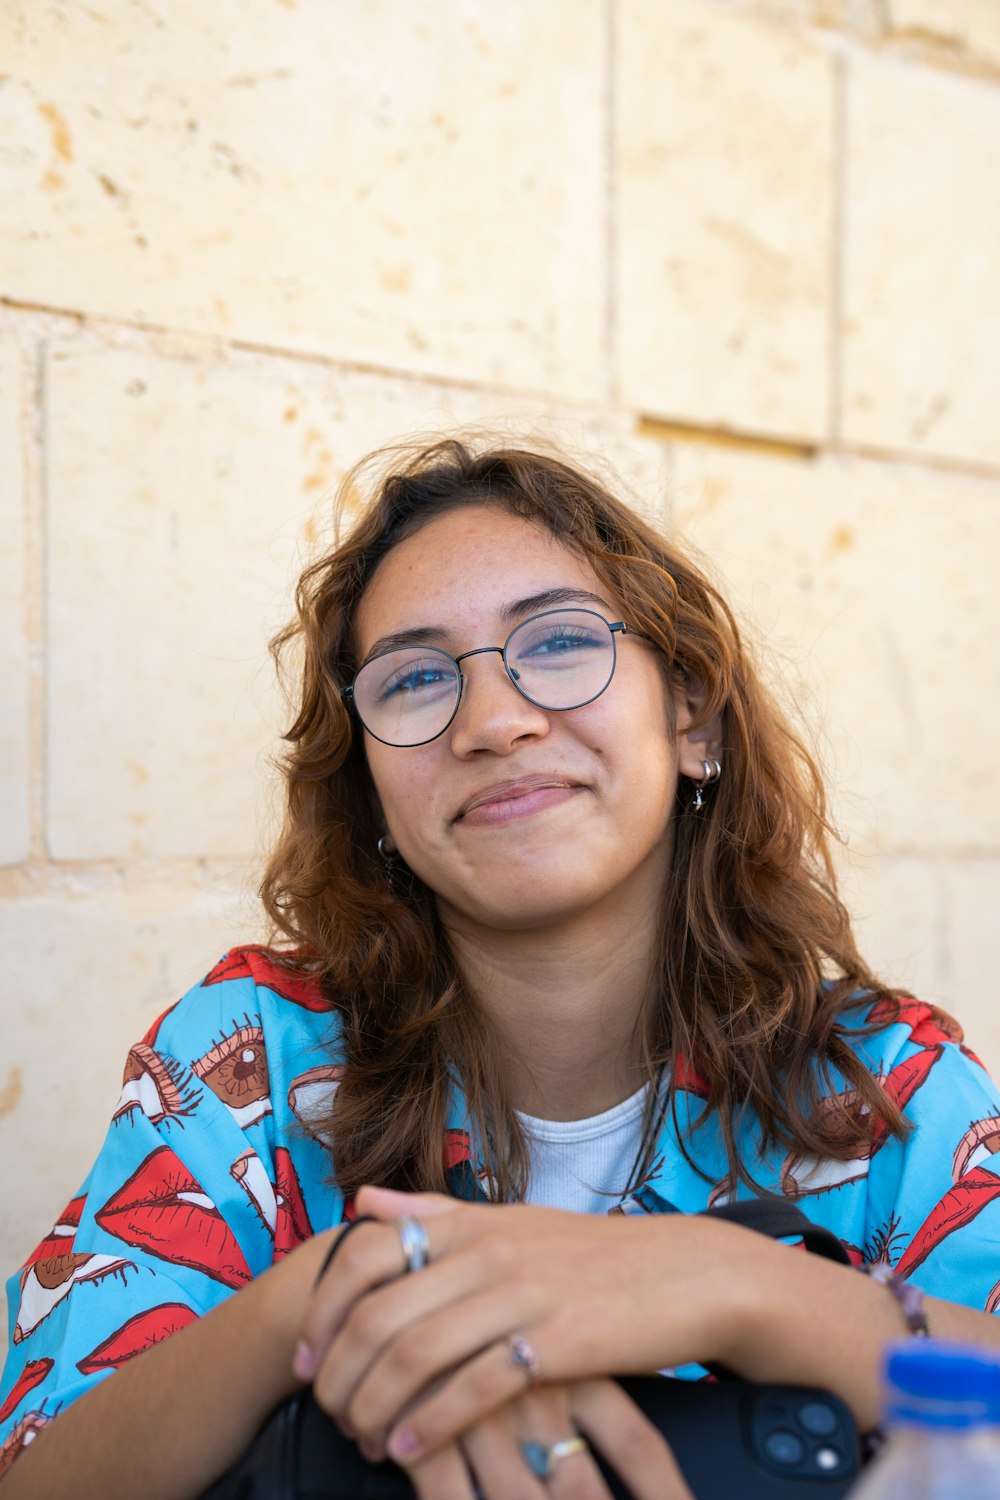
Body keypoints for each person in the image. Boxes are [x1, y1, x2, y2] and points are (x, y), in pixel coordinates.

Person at [2, 438, 1000, 1500]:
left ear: (693, 717)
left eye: (561, 642)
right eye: (417, 677)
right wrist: (330, 1297)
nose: (494, 722)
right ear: (369, 787)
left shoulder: (883, 1086)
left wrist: (737, 1287)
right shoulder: (245, 1060)